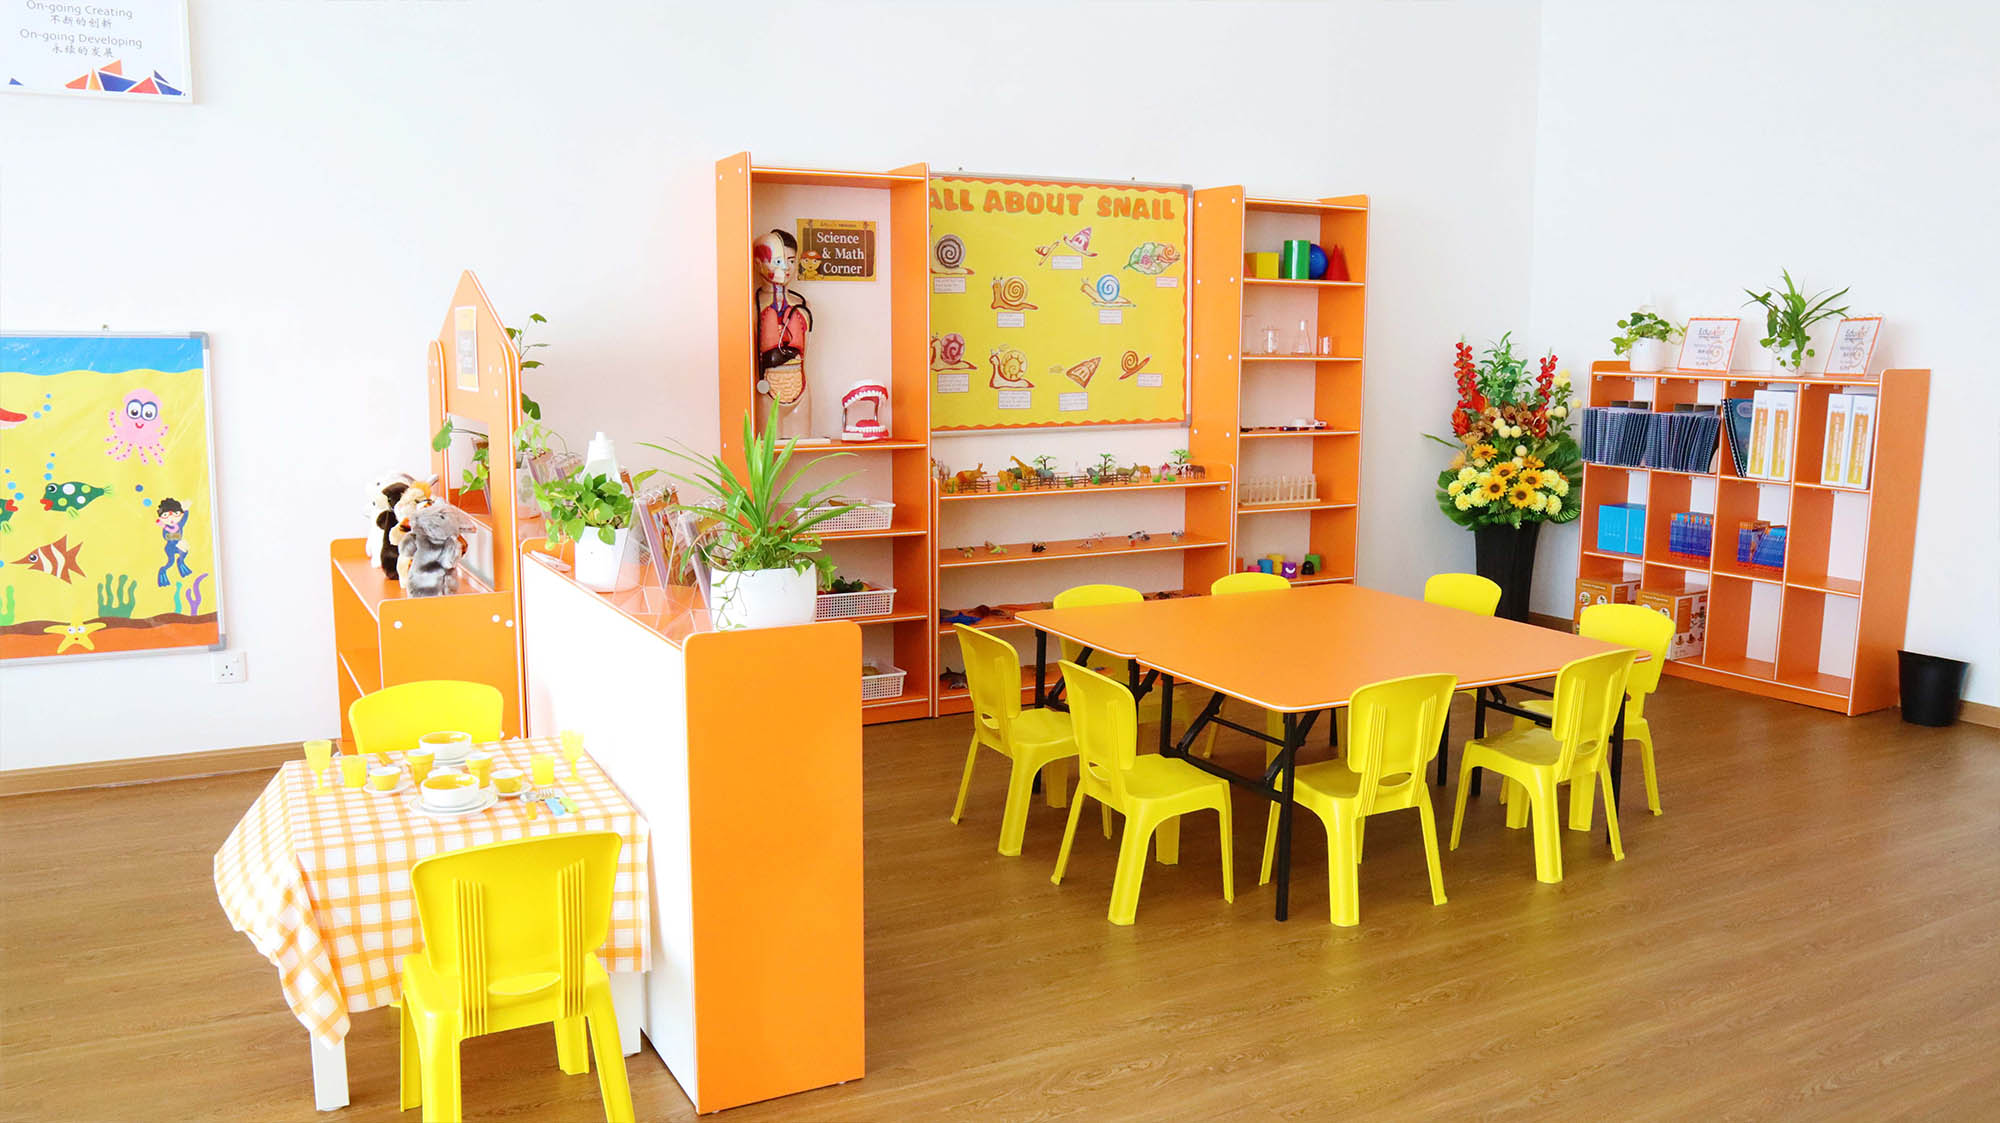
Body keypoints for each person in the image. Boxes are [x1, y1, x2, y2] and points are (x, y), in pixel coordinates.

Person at [754, 229, 813, 438]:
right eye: (777, 261)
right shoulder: (754, 306)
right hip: (767, 390)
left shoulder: (802, 306)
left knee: (803, 456)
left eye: (790, 260)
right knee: (767, 457)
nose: (786, 268)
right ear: (758, 263)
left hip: (800, 388)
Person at [156, 498, 192, 586]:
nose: (171, 518)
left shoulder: (179, 525)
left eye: (175, 514)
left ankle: (180, 562)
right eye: (166, 515)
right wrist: (178, 540)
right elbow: (166, 537)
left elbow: (185, 518)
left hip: (178, 545)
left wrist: (186, 509)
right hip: (170, 547)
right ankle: (163, 570)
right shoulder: (166, 528)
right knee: (170, 562)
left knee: (185, 551)